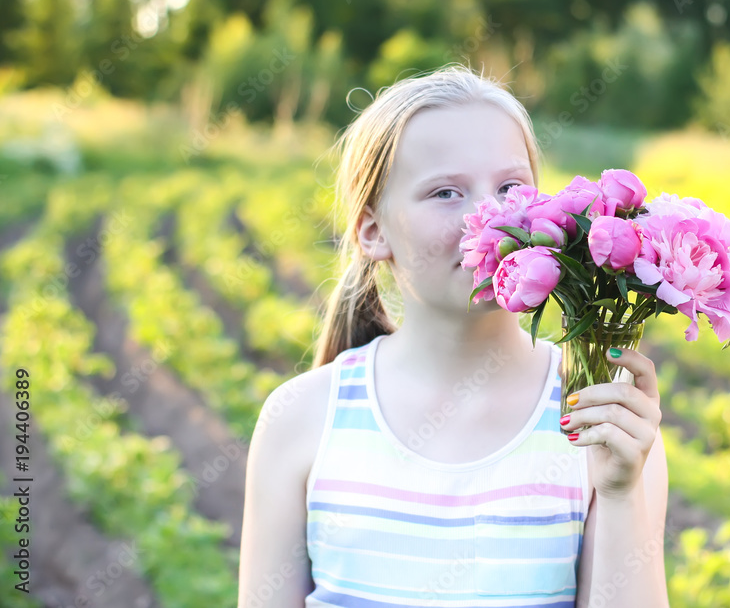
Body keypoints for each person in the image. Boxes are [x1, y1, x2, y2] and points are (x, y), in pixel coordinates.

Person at [237, 64, 670, 607]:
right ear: (373, 231)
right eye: (445, 192)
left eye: (511, 186)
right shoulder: (300, 420)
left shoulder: (600, 421)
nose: (490, 216)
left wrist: (621, 493)